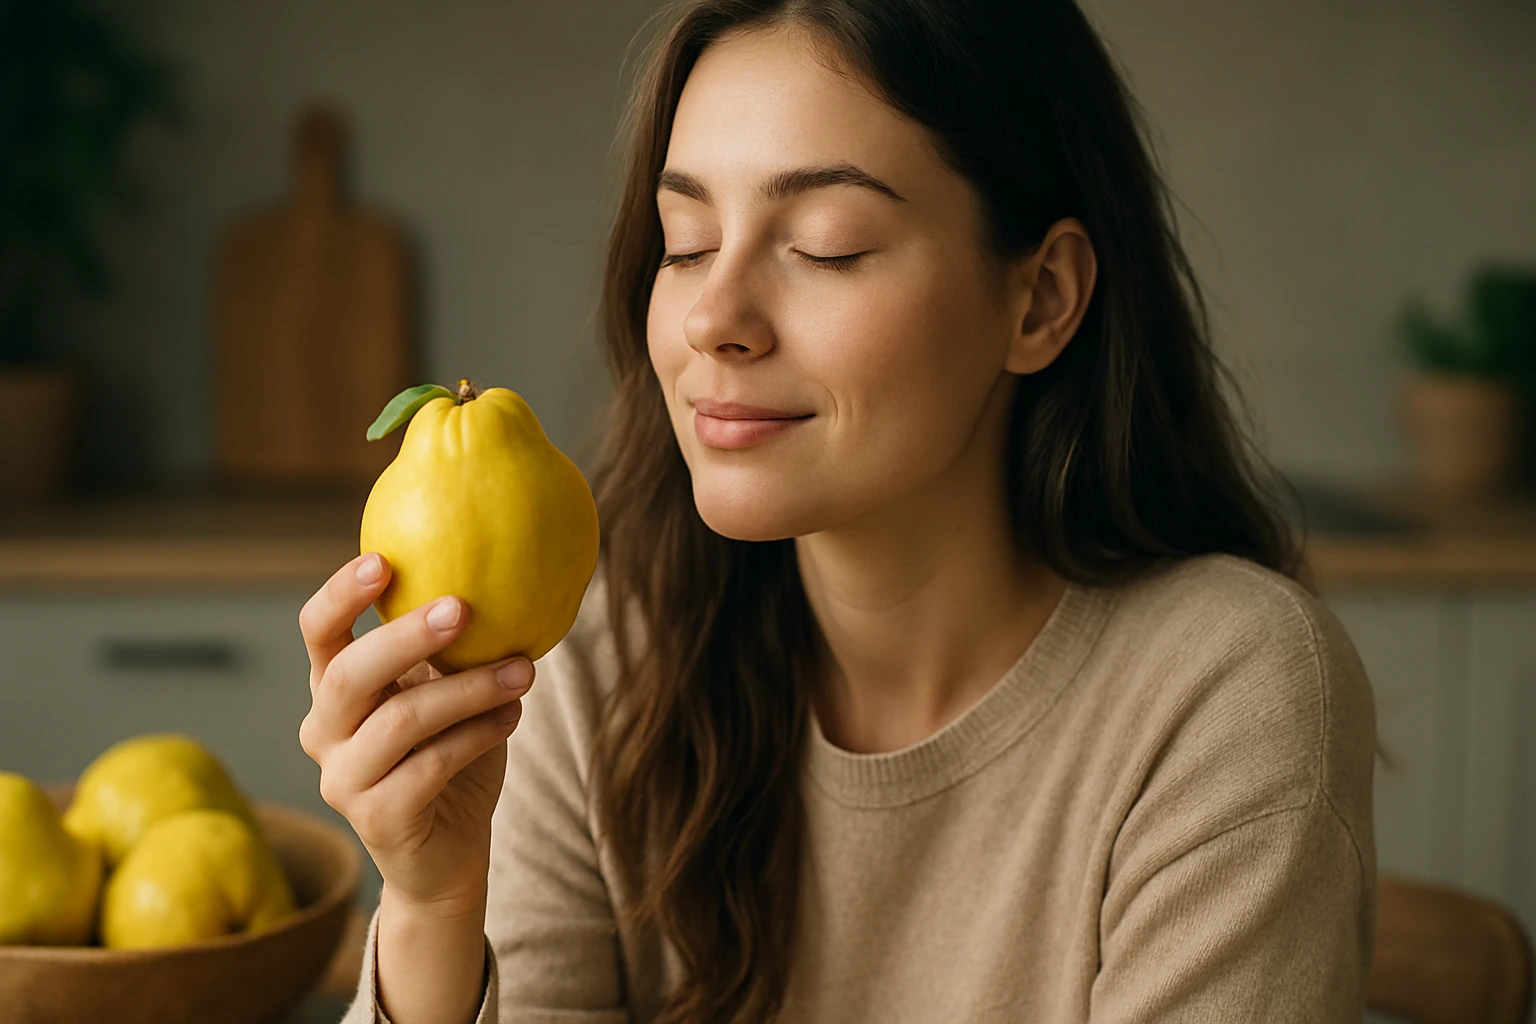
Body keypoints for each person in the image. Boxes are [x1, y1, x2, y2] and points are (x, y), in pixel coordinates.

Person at [299, 1, 1378, 1021]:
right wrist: (435, 906)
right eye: (683, 243)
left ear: (1041, 297)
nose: (714, 318)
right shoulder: (583, 673)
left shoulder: (1225, 691)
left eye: (825, 244)